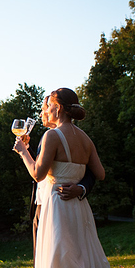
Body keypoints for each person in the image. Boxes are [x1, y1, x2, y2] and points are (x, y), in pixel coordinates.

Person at [13, 88, 135, 268]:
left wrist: (23, 151)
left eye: (48, 106)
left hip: (58, 210)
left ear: (58, 109)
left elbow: (38, 174)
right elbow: (101, 173)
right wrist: (79, 186)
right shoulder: (86, 139)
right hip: (79, 211)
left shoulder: (52, 135)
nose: (44, 110)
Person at [25, 96, 95, 259]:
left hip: (60, 204)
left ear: (57, 109)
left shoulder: (73, 137)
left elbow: (92, 171)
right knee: (42, 259)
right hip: (41, 204)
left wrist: (82, 188)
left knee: (65, 257)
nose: (42, 114)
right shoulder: (47, 136)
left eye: (44, 109)